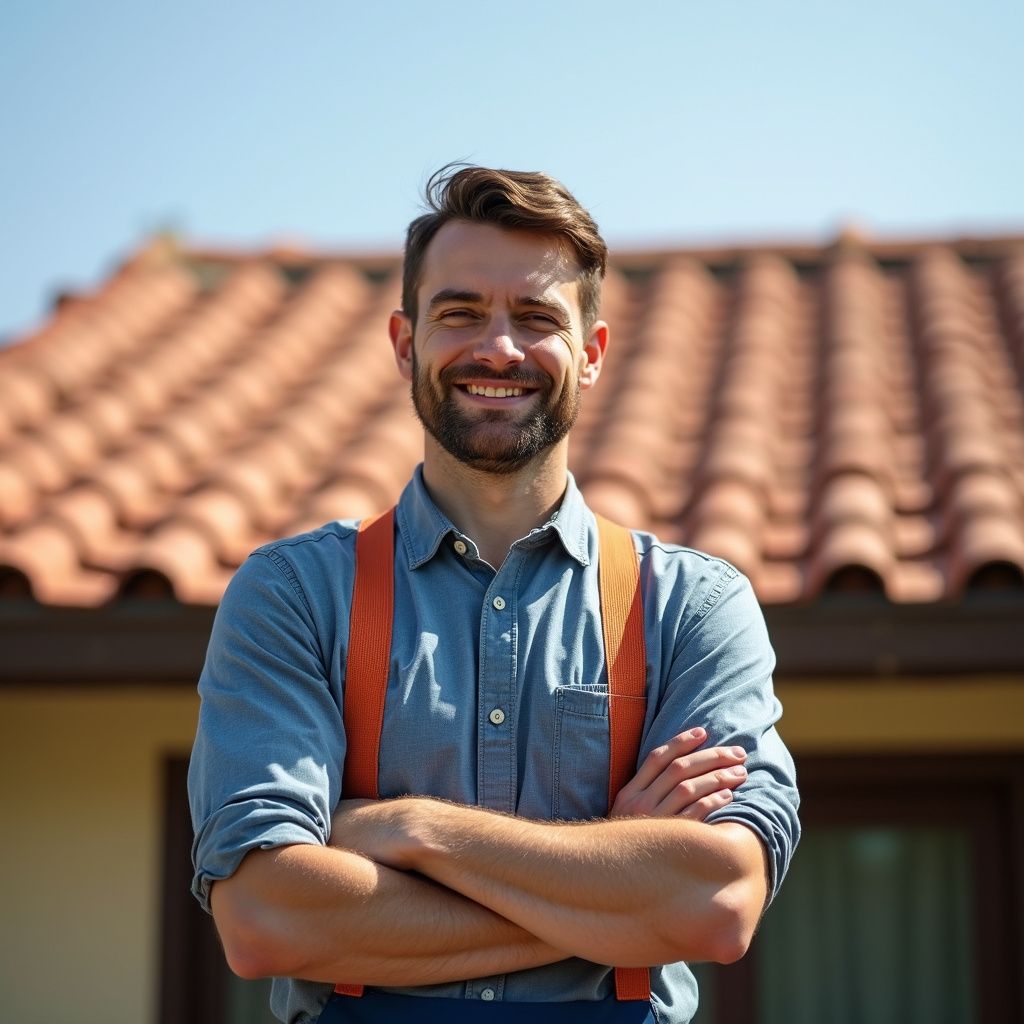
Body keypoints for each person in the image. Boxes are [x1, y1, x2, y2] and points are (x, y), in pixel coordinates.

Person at [189, 164, 800, 1024]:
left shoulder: (692, 607)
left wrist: (406, 832)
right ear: (406, 345)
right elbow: (265, 919)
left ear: (590, 354)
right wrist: (617, 885)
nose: (499, 348)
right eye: (460, 312)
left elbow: (717, 903)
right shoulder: (295, 595)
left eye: (539, 317)